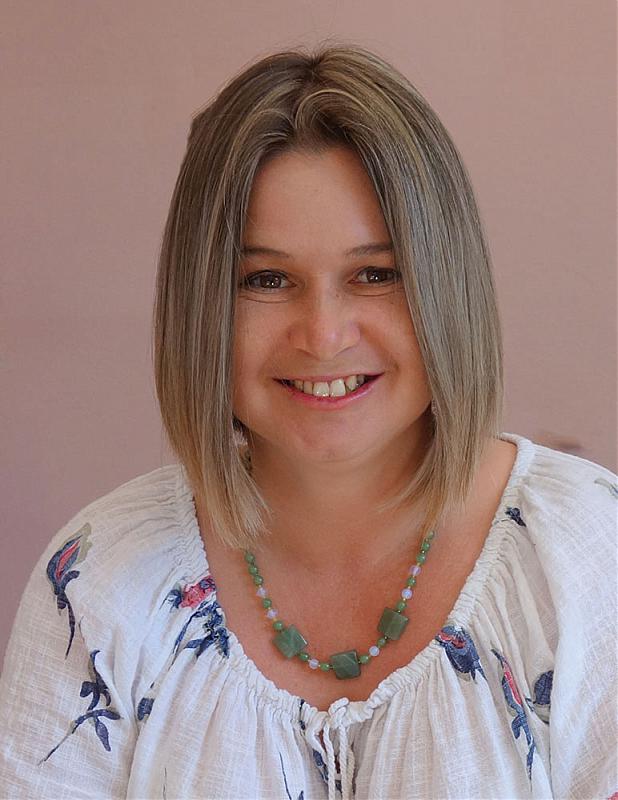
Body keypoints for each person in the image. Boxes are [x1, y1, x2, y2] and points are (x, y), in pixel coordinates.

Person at [0, 43, 616, 800]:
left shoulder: (588, 562)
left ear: (447, 287)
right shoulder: (96, 583)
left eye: (375, 274)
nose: (323, 336)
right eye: (267, 279)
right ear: (202, 308)